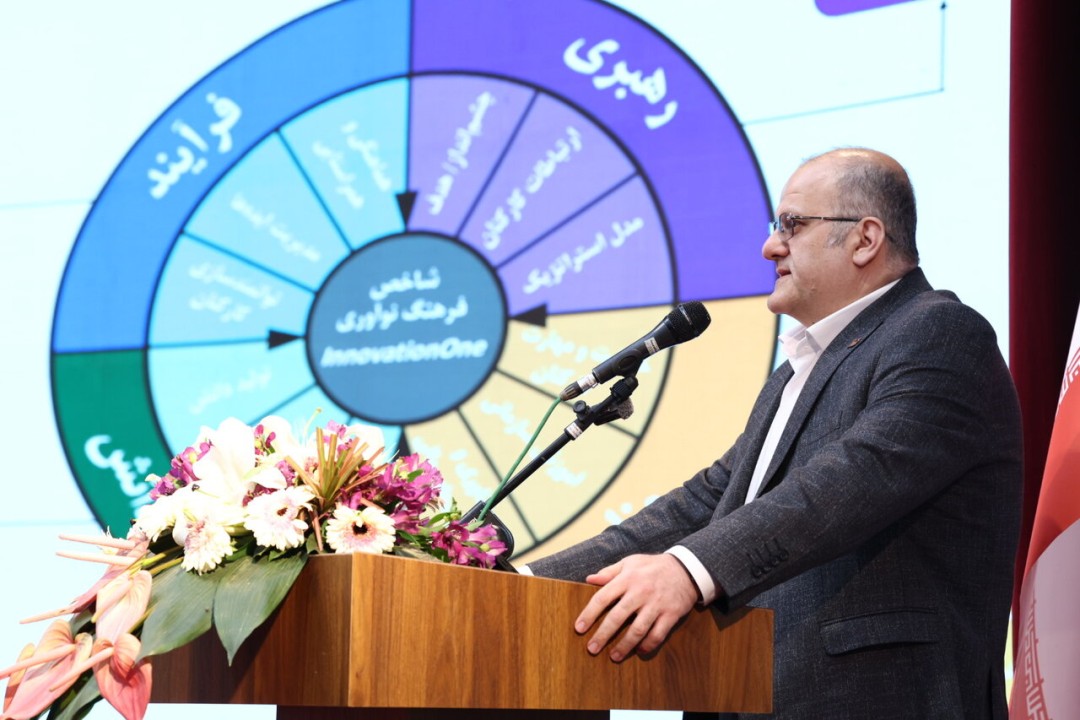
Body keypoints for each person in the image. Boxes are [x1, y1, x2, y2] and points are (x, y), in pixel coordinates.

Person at [525, 148, 1023, 719]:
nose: (770, 246)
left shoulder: (940, 332)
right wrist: (528, 582)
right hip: (756, 692)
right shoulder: (792, 375)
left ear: (865, 239)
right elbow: (706, 501)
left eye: (792, 224)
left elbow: (856, 477)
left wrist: (687, 569)